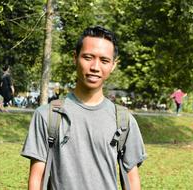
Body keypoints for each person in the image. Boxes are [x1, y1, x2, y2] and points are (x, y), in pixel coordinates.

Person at [21, 26, 146, 190]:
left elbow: (131, 178)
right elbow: (36, 178)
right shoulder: (48, 115)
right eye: (88, 57)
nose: (95, 67)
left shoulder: (123, 120)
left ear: (113, 65)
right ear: (75, 57)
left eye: (104, 60)